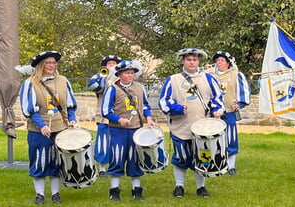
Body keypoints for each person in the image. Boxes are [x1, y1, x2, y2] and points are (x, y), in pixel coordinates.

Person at [158, 48, 224, 198]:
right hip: (180, 127)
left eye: (194, 59)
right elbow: (164, 102)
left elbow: (217, 99)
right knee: (181, 158)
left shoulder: (209, 79)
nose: (192, 62)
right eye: (189, 59)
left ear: (198, 61)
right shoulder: (172, 80)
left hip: (203, 128)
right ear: (183, 61)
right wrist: (177, 108)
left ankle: (201, 187)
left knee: (203, 158)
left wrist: (217, 111)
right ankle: (179, 186)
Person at [19, 51, 77, 205]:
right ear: (41, 65)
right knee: (39, 161)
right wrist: (42, 125)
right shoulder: (30, 83)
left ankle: (56, 194)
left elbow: (70, 105)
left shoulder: (63, 81)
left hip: (60, 129)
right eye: (48, 63)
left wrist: (72, 120)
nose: (52, 65)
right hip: (39, 131)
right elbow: (29, 109)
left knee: (57, 162)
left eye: (53, 62)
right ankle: (39, 194)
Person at [101, 60, 157, 201]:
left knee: (135, 158)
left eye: (132, 73)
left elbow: (145, 106)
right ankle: (114, 190)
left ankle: (136, 190)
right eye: (127, 73)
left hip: (136, 130)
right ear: (119, 74)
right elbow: (105, 110)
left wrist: (149, 118)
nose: (131, 75)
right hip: (118, 130)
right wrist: (119, 120)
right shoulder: (112, 89)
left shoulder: (140, 87)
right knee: (117, 157)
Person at [208, 51, 250, 176]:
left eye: (221, 60)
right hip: (214, 113)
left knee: (231, 138)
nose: (219, 63)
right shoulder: (210, 76)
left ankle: (231, 166)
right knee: (214, 138)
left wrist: (241, 103)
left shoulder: (236, 75)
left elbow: (244, 91)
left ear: (228, 62)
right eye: (217, 60)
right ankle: (217, 163)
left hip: (229, 112)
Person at [87, 55, 122, 177]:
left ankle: (116, 165)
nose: (112, 65)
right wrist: (104, 77)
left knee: (118, 142)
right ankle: (102, 168)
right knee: (102, 142)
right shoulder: (100, 76)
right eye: (109, 63)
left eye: (114, 63)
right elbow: (93, 87)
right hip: (104, 117)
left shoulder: (122, 78)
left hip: (119, 116)